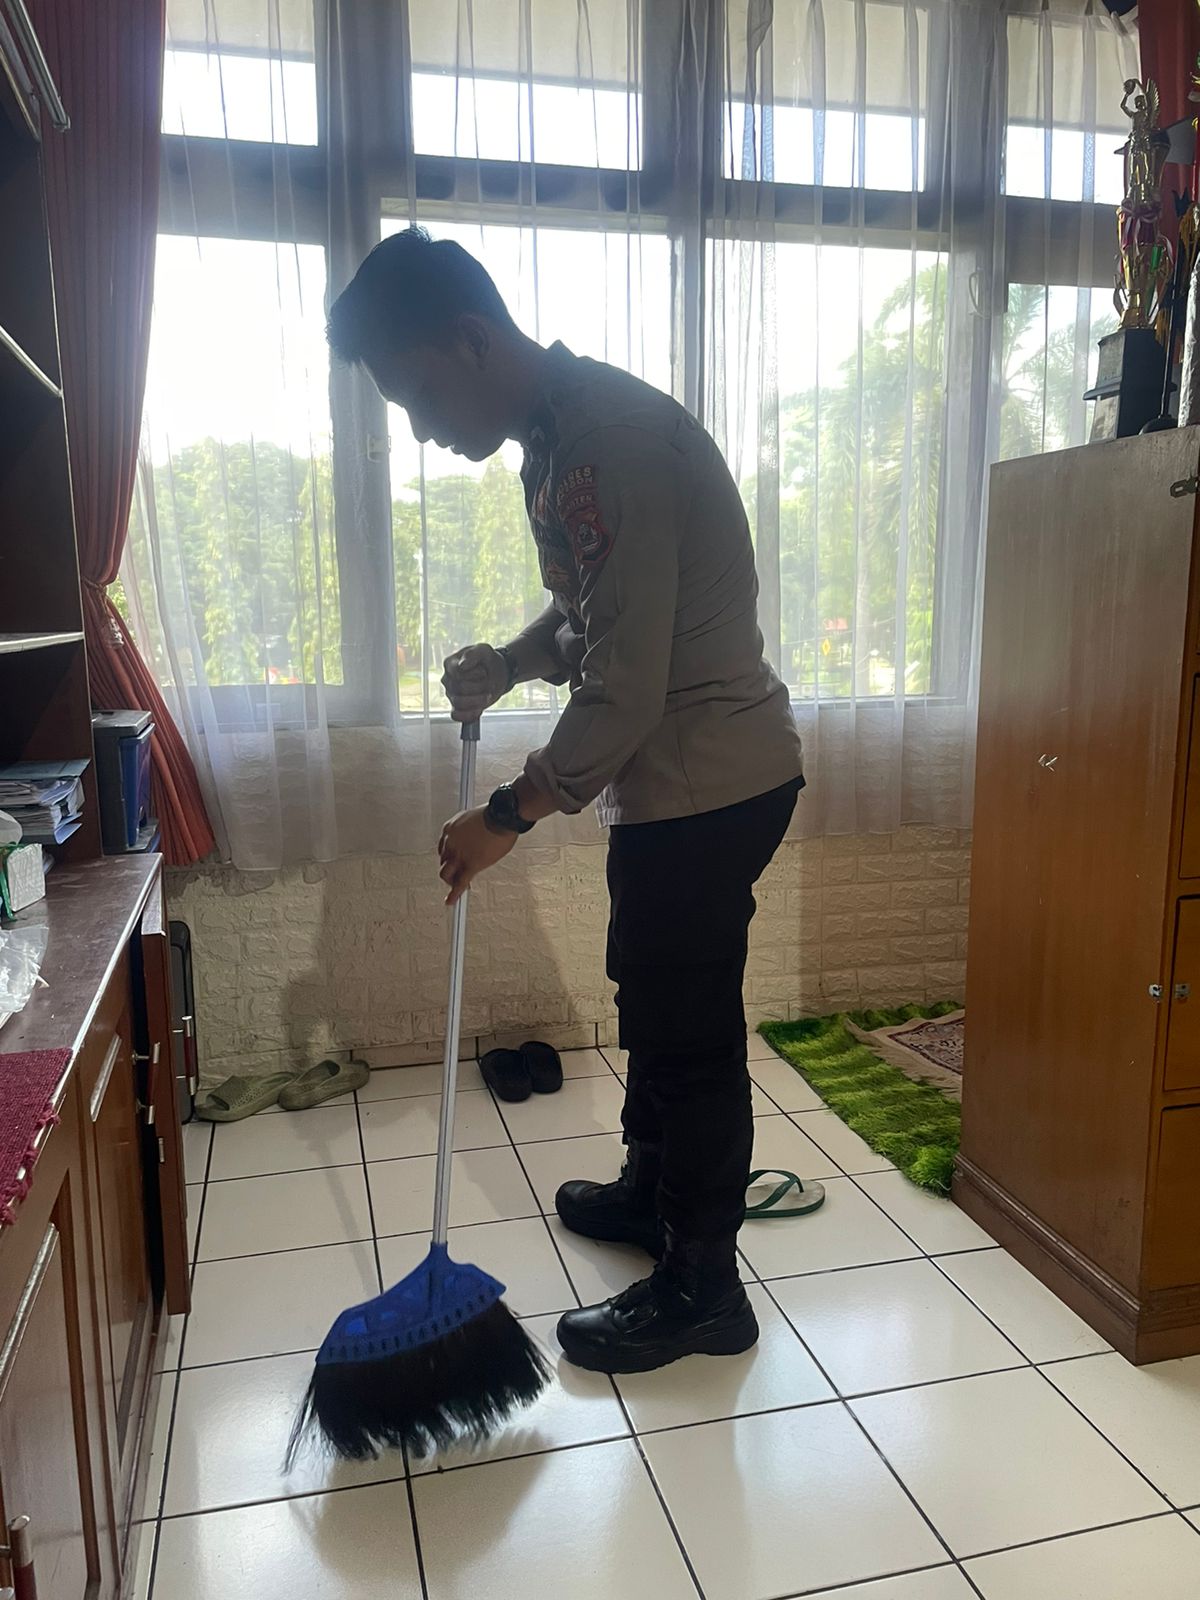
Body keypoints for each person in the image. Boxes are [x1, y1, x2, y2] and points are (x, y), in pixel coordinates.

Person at [327, 227, 804, 1376]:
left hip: (710, 779)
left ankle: (703, 1286)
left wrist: (506, 815)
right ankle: (653, 1191)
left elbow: (626, 682)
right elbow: (592, 617)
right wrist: (510, 658)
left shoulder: (609, 442)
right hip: (669, 784)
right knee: (651, 991)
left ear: (470, 341)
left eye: (416, 395)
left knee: (690, 1033)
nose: (420, 429)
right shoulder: (554, 442)